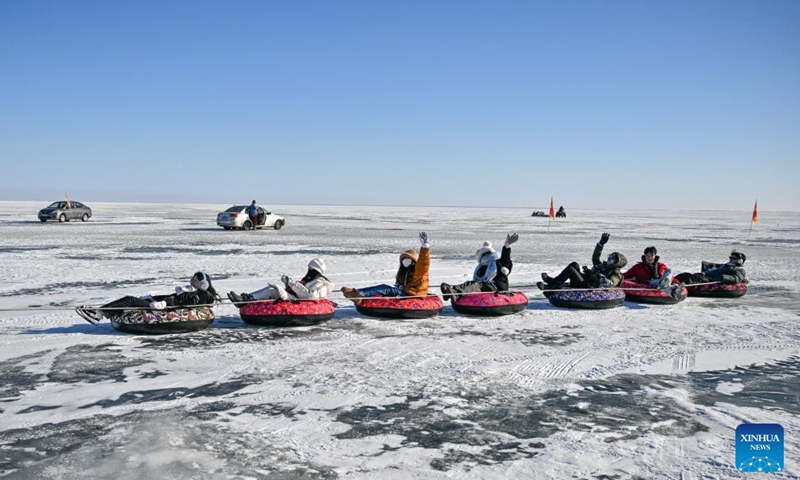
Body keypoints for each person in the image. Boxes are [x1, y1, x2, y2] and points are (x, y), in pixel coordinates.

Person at [77, 272, 219, 322]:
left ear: (203, 283)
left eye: (195, 280)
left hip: (163, 309)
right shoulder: (193, 291)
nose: (191, 282)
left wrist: (164, 303)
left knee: (130, 300)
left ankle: (99, 314)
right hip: (159, 304)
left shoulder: (202, 294)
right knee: (130, 301)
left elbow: (185, 303)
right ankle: (101, 312)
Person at [341, 232, 430, 305]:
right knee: (385, 290)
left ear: (413, 261)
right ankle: (357, 293)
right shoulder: (404, 271)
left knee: (385, 288)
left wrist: (425, 247)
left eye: (408, 259)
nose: (405, 261)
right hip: (406, 292)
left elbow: (424, 263)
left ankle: (358, 294)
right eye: (404, 259)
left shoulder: (419, 270)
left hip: (414, 294)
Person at [440, 233, 519, 301]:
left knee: (475, 285)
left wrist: (507, 246)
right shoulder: (482, 266)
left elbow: (506, 260)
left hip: (496, 287)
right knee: (470, 284)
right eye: (484, 254)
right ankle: (453, 291)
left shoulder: (498, 262)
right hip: (484, 286)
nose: (486, 256)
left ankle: (455, 292)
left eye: (488, 253)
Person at [227, 258, 334, 305]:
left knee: (272, 290)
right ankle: (246, 298)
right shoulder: (311, 280)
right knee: (273, 288)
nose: (308, 271)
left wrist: (293, 284)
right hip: (297, 298)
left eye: (310, 269)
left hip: (302, 302)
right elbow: (300, 290)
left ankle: (245, 300)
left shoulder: (321, 284)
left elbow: (310, 296)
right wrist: (287, 283)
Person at [537, 233, 627, 289]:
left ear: (616, 264)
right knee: (574, 264)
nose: (609, 260)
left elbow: (609, 283)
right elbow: (595, 258)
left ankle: (551, 286)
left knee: (571, 270)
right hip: (585, 280)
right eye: (609, 257)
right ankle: (554, 281)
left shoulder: (616, 274)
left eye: (612, 260)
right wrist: (601, 244)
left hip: (589, 286)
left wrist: (592, 275)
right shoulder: (602, 266)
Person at [673, 251, 747, 285]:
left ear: (739, 261)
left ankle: (679, 286)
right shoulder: (727, 265)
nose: (730, 259)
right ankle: (671, 282)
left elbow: (736, 278)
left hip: (713, 279)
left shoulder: (739, 269)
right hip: (708, 276)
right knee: (685, 275)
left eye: (733, 258)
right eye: (730, 257)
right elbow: (717, 267)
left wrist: (723, 277)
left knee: (696, 278)